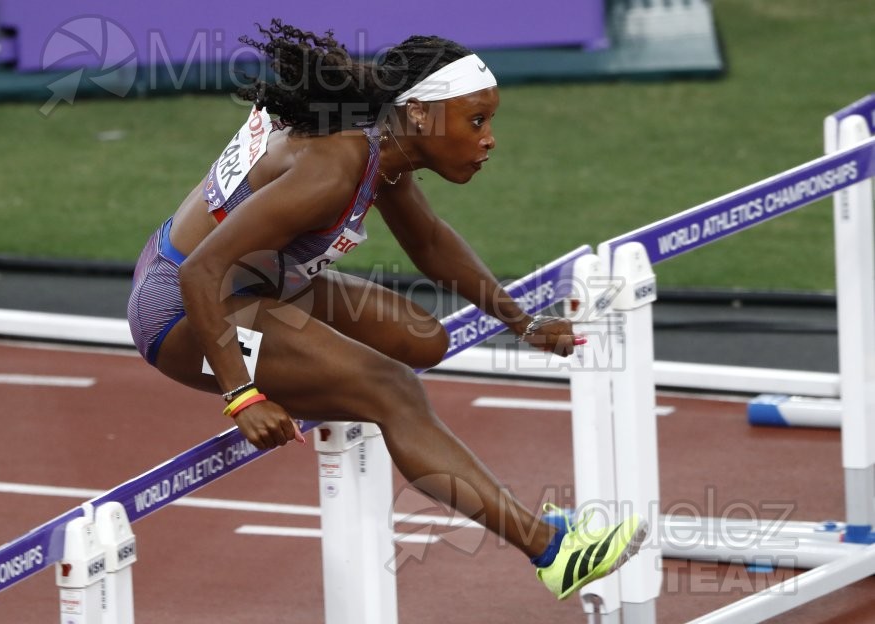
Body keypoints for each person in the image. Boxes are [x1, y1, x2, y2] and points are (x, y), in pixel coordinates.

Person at [127, 19, 647, 601]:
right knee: (394, 390)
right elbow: (202, 269)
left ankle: (325, 377)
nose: (490, 138)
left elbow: (429, 242)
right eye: (477, 120)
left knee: (422, 339)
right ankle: (551, 551)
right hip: (183, 307)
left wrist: (522, 322)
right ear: (420, 113)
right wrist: (241, 396)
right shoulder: (334, 166)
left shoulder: (381, 144)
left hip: (262, 280)